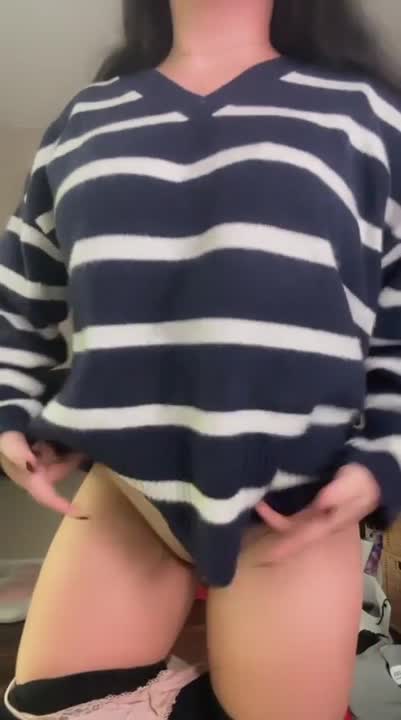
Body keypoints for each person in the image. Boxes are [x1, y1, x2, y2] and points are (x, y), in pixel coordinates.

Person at [1, 0, 401, 717]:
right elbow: (25, 289)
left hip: (293, 505)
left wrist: (383, 457)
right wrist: (14, 408)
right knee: (51, 706)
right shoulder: (83, 121)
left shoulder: (366, 115)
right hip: (127, 493)